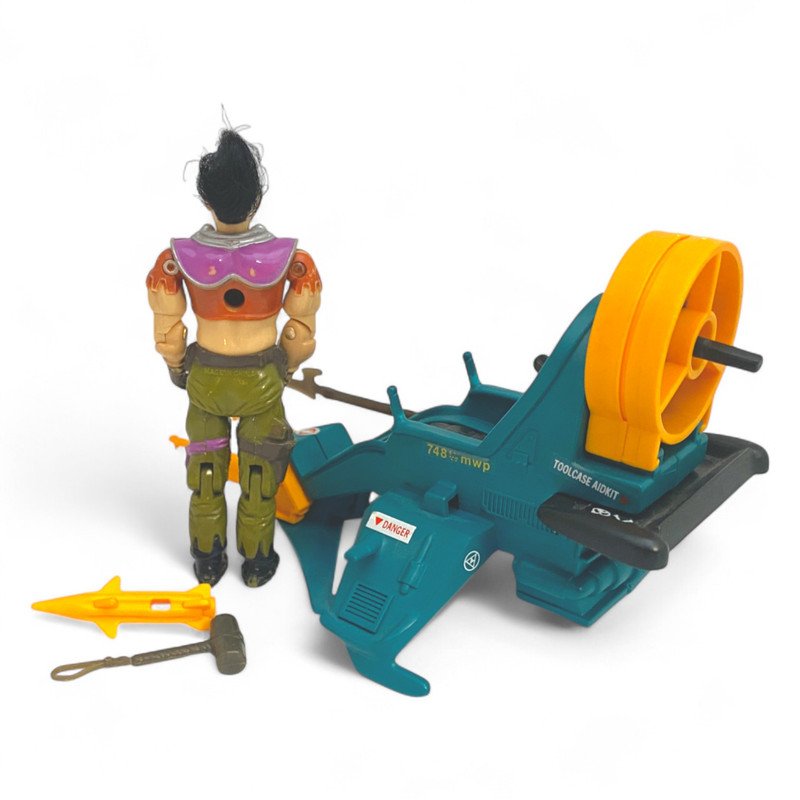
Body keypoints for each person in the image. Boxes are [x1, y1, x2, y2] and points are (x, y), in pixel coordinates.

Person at [146, 127, 321, 586]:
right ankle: (258, 562)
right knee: (260, 477)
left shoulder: (177, 258)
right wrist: (286, 366)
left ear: (207, 201)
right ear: (257, 200)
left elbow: (167, 329)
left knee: (206, 472)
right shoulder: (291, 259)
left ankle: (207, 558)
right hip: (263, 383)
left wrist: (177, 367)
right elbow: (301, 331)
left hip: (205, 382)